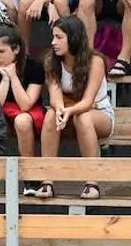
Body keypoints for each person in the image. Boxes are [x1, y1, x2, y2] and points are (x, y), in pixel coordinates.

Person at [39, 14, 112, 198]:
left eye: (59, 37)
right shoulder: (51, 61)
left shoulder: (95, 61)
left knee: (83, 117)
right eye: (53, 37)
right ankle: (47, 181)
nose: (53, 42)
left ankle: (92, 182)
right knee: (50, 115)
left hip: (99, 114)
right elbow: (55, 97)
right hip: (69, 111)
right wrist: (61, 110)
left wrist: (69, 110)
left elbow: (88, 101)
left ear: (73, 37)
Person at [0, 24, 47, 169]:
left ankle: (29, 173)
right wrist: (5, 79)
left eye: (1, 51)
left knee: (22, 121)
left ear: (16, 49)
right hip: (2, 111)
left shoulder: (34, 66)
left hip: (29, 111)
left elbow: (26, 105)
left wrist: (13, 76)